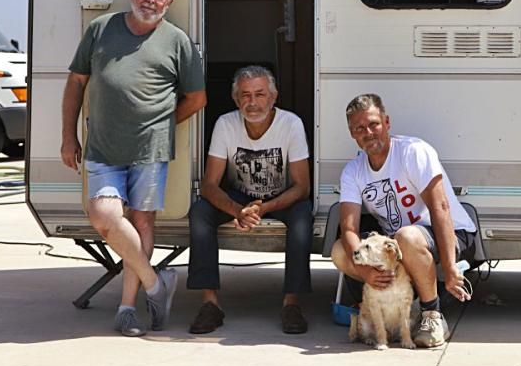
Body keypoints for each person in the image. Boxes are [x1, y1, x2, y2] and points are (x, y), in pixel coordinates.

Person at [61, 0, 206, 337]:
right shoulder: (101, 28)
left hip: (150, 149)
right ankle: (156, 284)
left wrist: (161, 122)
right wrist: (67, 136)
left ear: (170, 0)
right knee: (103, 215)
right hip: (102, 147)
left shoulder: (177, 41)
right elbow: (76, 83)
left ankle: (127, 308)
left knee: (142, 223)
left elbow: (197, 97)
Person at [332, 93, 477, 348]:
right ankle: (400, 307)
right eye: (359, 128)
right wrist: (365, 271)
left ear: (387, 123)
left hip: (450, 233)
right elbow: (349, 228)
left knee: (406, 237)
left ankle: (432, 315)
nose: (368, 132)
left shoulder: (412, 151)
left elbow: (440, 207)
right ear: (352, 134)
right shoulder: (353, 171)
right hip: (401, 242)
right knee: (339, 251)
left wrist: (452, 266)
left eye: (374, 124)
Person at [186, 65, 313, 334]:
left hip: (281, 197)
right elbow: (209, 185)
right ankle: (210, 303)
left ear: (273, 97)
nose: (252, 103)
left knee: (302, 216)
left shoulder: (291, 124)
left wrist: (264, 207)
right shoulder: (225, 124)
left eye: (259, 94)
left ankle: (292, 303)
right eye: (245, 95)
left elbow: (302, 187)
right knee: (200, 212)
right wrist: (237, 210)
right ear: (236, 99)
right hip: (240, 197)